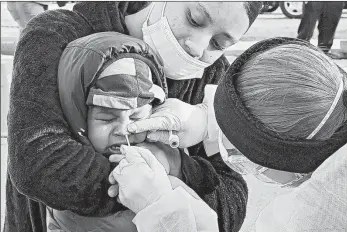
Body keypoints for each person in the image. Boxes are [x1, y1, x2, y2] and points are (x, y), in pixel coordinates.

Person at [4, 2, 263, 232]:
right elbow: (38, 164)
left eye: (218, 44)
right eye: (194, 18)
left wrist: (179, 165)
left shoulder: (212, 75)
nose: (197, 47)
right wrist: (162, 186)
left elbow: (230, 206)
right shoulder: (58, 33)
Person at [126, 37, 347, 230]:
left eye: (246, 161)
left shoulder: (317, 214)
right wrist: (206, 121)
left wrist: (164, 215)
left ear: (293, 162)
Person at [46, 31, 218, 232]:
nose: (125, 130)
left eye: (136, 117)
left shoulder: (167, 168)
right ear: (78, 116)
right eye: (107, 118)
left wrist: (176, 167)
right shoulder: (65, 183)